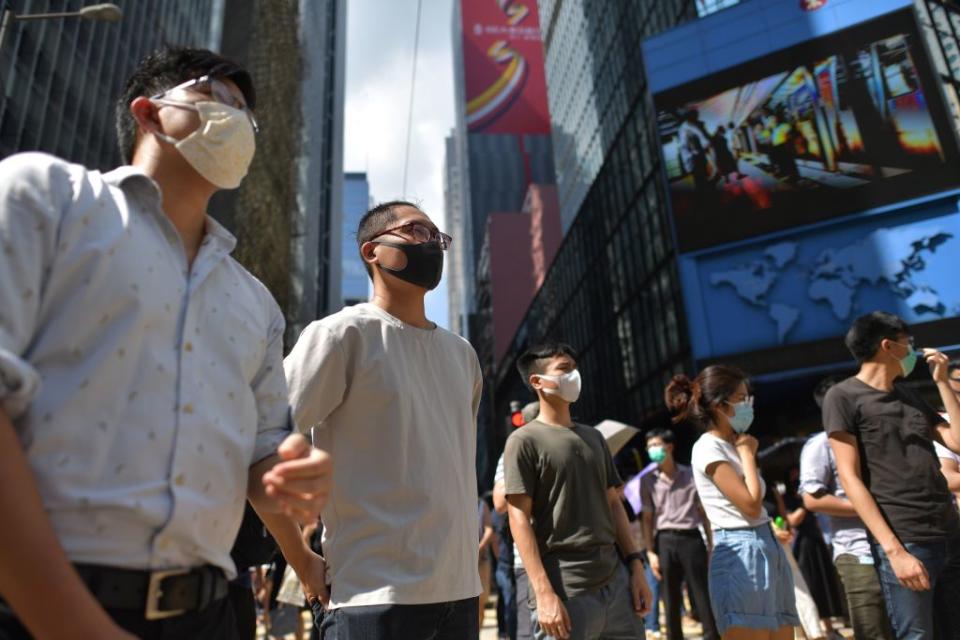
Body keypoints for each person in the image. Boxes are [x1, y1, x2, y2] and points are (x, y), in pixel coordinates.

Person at [0, 47, 332, 639]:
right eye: (219, 98)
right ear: (150, 113)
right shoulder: (48, 198)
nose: (238, 122)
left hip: (207, 617)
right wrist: (68, 621)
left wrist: (291, 473)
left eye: (247, 115)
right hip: (38, 607)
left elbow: (263, 452)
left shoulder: (254, 302)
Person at [284, 200, 482, 638]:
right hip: (370, 600)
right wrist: (300, 559)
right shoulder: (341, 335)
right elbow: (261, 441)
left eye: (438, 237)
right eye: (417, 231)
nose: (433, 245)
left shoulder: (463, 356)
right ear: (372, 251)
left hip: (461, 595)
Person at [823, 311, 960, 639]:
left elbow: (956, 441)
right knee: (917, 635)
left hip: (950, 532)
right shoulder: (842, 397)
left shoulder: (908, 394)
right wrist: (895, 552)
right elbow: (850, 477)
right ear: (889, 346)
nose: (914, 350)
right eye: (908, 343)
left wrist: (942, 382)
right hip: (907, 538)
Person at [503, 342, 652, 640]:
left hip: (616, 584)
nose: (574, 376)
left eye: (575, 368)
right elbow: (518, 518)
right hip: (565, 590)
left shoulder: (595, 437)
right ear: (537, 382)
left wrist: (636, 566)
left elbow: (614, 504)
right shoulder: (523, 441)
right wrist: (544, 592)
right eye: (564, 370)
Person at [667, 366, 799, 639]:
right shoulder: (708, 447)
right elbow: (750, 505)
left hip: (767, 545)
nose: (747, 404)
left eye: (747, 397)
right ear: (718, 405)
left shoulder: (735, 444)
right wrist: (748, 455)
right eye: (740, 398)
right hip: (740, 551)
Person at [801, 378, 894, 640]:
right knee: (873, 632)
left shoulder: (872, 434)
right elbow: (812, 500)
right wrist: (866, 508)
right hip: (858, 554)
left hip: (899, 548)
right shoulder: (820, 445)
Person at [641, 429, 718, 640]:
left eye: (656, 445)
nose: (652, 450)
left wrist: (711, 545)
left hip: (691, 538)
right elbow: (647, 520)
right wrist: (650, 552)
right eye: (649, 447)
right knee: (670, 597)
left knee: (702, 593)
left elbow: (703, 514)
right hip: (664, 541)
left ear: (670, 447)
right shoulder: (647, 480)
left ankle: (712, 635)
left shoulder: (691, 475)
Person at [480, 495, 496, 630]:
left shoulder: (481, 505)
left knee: (481, 601)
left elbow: (489, 530)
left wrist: (479, 547)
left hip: (480, 561)